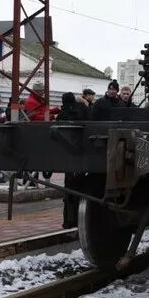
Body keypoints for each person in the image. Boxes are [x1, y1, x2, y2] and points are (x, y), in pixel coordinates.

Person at [57, 92, 89, 228]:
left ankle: (68, 221)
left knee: (69, 190)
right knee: (81, 188)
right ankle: (79, 219)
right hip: (82, 157)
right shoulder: (83, 111)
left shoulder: (62, 114)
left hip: (67, 158)